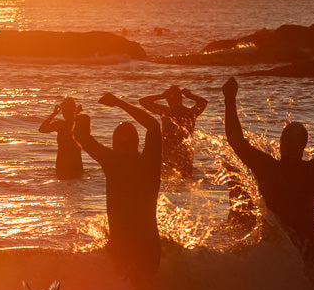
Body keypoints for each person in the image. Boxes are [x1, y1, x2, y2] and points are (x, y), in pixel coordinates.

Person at [222, 77, 314, 266]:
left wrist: (230, 99)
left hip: (276, 252)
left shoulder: (268, 168)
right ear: (303, 146)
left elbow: (235, 140)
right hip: (309, 248)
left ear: (281, 144)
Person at [73, 92, 162, 269]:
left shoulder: (112, 162)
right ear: (136, 142)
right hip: (150, 247)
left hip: (122, 247)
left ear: (115, 143)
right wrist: (119, 103)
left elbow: (81, 137)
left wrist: (80, 120)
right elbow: (153, 126)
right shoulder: (150, 164)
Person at [139, 85, 208, 179]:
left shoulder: (166, 112)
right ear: (180, 98)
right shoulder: (190, 113)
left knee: (167, 180)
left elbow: (142, 101)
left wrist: (161, 96)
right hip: (185, 154)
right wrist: (190, 95)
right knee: (186, 180)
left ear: (168, 99)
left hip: (168, 153)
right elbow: (203, 102)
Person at [38, 97, 83, 179]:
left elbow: (42, 129)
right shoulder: (79, 123)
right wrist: (76, 113)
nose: (63, 113)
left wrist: (53, 114)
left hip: (62, 165)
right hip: (76, 165)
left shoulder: (60, 125)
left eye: (64, 110)